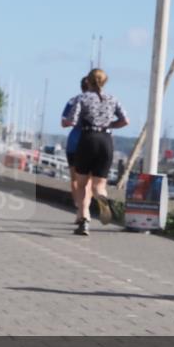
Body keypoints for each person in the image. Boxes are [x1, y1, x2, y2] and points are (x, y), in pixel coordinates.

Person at [66, 68, 129, 236]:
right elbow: (125, 121)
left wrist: (71, 121)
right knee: (99, 184)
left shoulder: (82, 98)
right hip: (106, 141)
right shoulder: (113, 99)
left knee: (82, 184)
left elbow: (71, 120)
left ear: (88, 81)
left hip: (87, 139)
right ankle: (102, 198)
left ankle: (83, 219)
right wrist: (109, 125)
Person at [60, 77, 89, 220]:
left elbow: (64, 123)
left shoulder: (73, 101)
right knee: (87, 180)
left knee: (74, 178)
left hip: (73, 141)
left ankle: (78, 207)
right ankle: (85, 210)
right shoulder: (100, 100)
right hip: (90, 142)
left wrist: (74, 121)